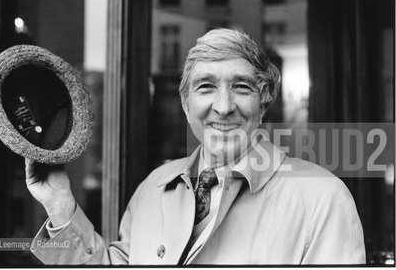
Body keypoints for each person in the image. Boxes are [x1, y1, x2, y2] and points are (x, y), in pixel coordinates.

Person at [26, 28, 365, 265]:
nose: (223, 106)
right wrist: (61, 207)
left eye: (242, 87)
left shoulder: (323, 198)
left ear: (264, 103)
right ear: (186, 104)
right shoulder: (153, 189)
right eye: (206, 87)